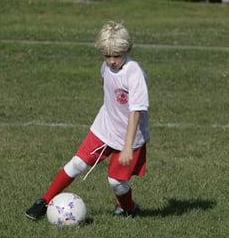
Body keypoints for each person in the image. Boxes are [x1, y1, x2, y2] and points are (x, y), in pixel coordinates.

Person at [25, 21, 150, 220]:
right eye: (107, 55)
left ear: (128, 49)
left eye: (116, 56)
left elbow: (135, 112)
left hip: (130, 137)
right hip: (104, 128)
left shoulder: (134, 73)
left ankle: (128, 208)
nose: (111, 61)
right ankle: (44, 201)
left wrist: (127, 147)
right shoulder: (106, 67)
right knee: (76, 164)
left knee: (115, 182)